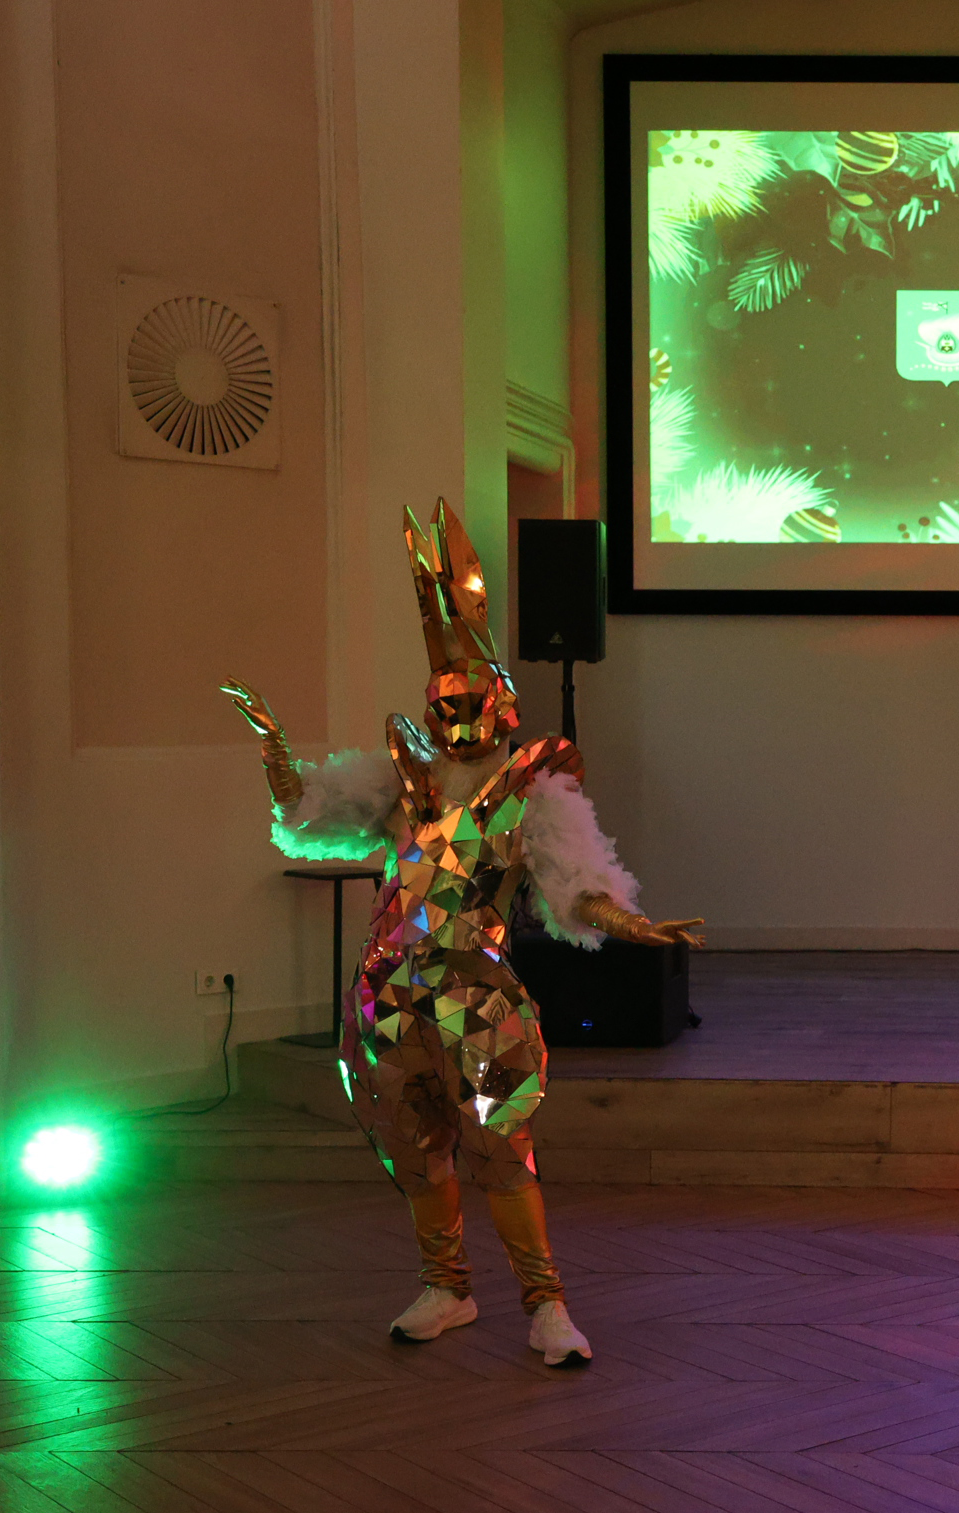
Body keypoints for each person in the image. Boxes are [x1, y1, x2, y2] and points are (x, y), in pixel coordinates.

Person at [222, 500, 706, 1365]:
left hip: (476, 996)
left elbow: (573, 886)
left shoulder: (530, 791)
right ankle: (446, 1287)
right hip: (386, 997)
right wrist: (275, 752)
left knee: (502, 1152)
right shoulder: (399, 784)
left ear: (502, 703)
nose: (456, 714)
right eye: (442, 703)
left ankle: (546, 1306)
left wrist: (625, 921)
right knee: (416, 1152)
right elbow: (308, 817)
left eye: (472, 698)